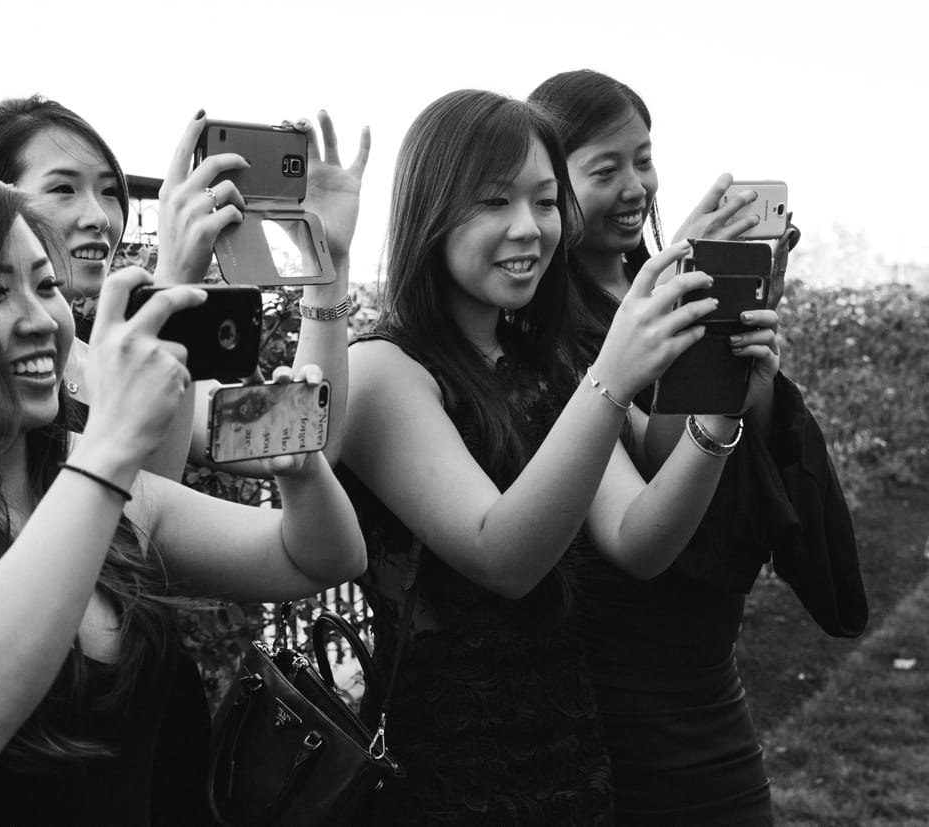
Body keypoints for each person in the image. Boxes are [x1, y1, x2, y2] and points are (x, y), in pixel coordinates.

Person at [0, 171, 366, 826]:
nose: (40, 319)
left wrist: (301, 471)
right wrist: (110, 441)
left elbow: (316, 559)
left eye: (45, 285)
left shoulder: (107, 493)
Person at [334, 88, 780, 825]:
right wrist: (611, 378)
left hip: (569, 756)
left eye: (545, 202)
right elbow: (504, 555)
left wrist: (718, 413)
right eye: (494, 202)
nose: (529, 228)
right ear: (430, 212)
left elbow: (641, 540)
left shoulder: (536, 364)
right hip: (450, 776)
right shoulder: (386, 372)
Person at [529, 68, 866, 826]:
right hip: (630, 679)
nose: (635, 186)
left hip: (709, 667)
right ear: (552, 186)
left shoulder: (668, 295)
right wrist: (711, 385)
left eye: (643, 159)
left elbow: (703, 432)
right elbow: (649, 461)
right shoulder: (553, 330)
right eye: (604, 168)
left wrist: (755, 380)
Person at [0, 96, 369, 477]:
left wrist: (328, 267)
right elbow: (134, 508)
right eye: (64, 188)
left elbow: (301, 439)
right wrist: (173, 281)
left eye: (111, 191)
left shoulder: (102, 353)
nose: (99, 216)